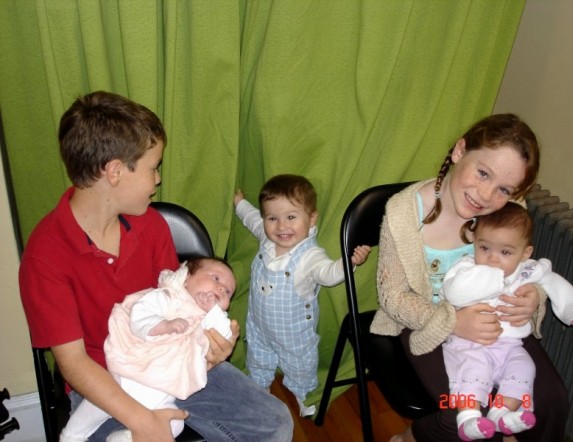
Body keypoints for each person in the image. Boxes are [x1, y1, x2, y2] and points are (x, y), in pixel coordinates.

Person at [19, 91, 293, 442]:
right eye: (153, 168)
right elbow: (74, 363)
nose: (158, 179)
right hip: (104, 384)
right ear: (115, 172)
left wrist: (209, 352)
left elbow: (180, 304)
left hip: (171, 359)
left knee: (274, 424)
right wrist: (142, 421)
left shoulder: (151, 226)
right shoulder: (45, 256)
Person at [369, 113, 570, 442]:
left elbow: (523, 264)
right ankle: (411, 437)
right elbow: (393, 297)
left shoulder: (509, 207)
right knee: (460, 416)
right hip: (425, 319)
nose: (486, 195)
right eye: (482, 173)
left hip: (497, 318)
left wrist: (534, 294)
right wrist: (453, 321)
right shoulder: (404, 212)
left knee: (553, 400)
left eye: (503, 189)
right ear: (460, 151)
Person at [440, 202, 573, 441]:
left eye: (505, 253)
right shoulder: (467, 267)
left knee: (524, 368)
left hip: (509, 345)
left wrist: (571, 309)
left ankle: (502, 412)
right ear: (474, 242)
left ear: (525, 254)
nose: (492, 259)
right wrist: (492, 278)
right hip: (469, 343)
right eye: (484, 247)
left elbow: (553, 282)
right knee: (473, 373)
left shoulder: (527, 270)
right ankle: (467, 418)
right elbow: (454, 293)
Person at [234, 174, 371, 417]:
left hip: (294, 333)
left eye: (291, 217)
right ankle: (260, 384)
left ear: (311, 218)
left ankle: (302, 393)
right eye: (273, 218)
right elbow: (252, 218)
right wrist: (239, 203)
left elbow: (329, 274)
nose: (281, 226)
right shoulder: (266, 237)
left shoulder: (309, 255)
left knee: (300, 365)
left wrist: (349, 263)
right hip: (259, 324)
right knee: (258, 356)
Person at [60, 257, 237, 441]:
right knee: (97, 402)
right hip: (130, 375)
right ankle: (71, 435)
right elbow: (140, 315)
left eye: (228, 291)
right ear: (186, 278)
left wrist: (214, 312)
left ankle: (125, 439)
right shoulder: (168, 297)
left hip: (162, 395)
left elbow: (223, 334)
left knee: (175, 422)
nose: (221, 288)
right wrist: (164, 325)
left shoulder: (208, 319)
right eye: (216, 278)